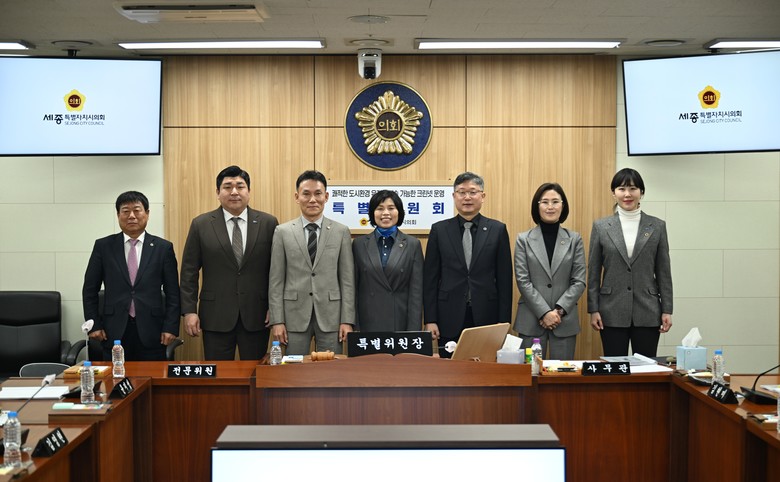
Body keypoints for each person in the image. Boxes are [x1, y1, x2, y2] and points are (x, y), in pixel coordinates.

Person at [180, 165, 279, 360]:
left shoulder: (268, 223)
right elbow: (188, 272)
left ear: (249, 191)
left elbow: (276, 271)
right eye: (227, 187)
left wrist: (274, 308)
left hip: (257, 314)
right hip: (215, 314)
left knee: (255, 371)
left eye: (240, 186)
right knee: (219, 373)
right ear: (218, 192)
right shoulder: (201, 224)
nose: (234, 192)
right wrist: (189, 311)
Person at [423, 171, 513, 357]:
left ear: (483, 196)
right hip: (448, 315)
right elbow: (430, 279)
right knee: (450, 369)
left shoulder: (497, 229)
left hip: (487, 316)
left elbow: (505, 280)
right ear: (454, 196)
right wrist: (430, 319)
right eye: (462, 192)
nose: (467, 197)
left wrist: (503, 322)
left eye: (473, 192)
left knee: (485, 368)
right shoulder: (440, 230)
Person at [82, 191, 180, 360]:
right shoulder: (103, 246)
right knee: (115, 376)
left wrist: (171, 326)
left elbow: (173, 292)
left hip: (153, 330)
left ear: (147, 213)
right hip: (113, 330)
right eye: (125, 211)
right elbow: (90, 289)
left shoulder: (163, 248)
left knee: (151, 375)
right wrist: (93, 324)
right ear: (118, 215)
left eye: (137, 210)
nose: (131, 216)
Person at [268, 170, 355, 355]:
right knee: (293, 368)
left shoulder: (341, 232)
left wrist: (347, 320)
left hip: (332, 316)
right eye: (306, 194)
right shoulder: (282, 232)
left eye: (318, 193)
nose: (312, 199)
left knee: (331, 367)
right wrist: (277, 320)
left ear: (326, 196)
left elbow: (347, 280)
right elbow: (276, 280)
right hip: (293, 316)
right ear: (297, 197)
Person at [588, 168, 673, 357]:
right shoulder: (601, 227)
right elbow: (593, 272)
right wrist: (593, 309)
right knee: (615, 368)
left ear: (641, 192)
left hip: (648, 310)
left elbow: (664, 272)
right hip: (611, 310)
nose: (627, 194)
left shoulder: (657, 226)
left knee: (645, 368)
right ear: (613, 193)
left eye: (633, 188)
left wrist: (667, 309)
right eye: (621, 189)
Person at [514, 183, 585, 360]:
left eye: (555, 201)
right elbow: (523, 281)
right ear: (537, 206)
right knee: (530, 373)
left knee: (562, 373)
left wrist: (558, 312)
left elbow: (579, 281)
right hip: (531, 320)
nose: (550, 206)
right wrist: (544, 313)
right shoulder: (523, 239)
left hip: (564, 321)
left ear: (563, 205)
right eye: (545, 202)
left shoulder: (574, 239)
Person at [352, 190, 423, 332]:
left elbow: (416, 293)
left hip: (399, 320)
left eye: (391, 208)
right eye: (379, 208)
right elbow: (353, 289)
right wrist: (355, 326)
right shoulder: (359, 244)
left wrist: (413, 331)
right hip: (367, 320)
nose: (385, 213)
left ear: (399, 212)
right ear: (372, 213)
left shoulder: (412, 244)